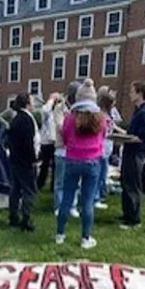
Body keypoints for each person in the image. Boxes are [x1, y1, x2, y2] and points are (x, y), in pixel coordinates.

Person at [55, 79, 107, 249]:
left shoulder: (70, 118)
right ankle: (85, 238)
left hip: (72, 160)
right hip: (93, 162)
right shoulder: (101, 118)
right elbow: (103, 137)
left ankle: (60, 234)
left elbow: (65, 136)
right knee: (88, 200)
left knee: (67, 198)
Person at [120, 81, 145, 229]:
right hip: (130, 151)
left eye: (132, 91)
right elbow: (132, 132)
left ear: (140, 94)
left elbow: (143, 137)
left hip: (136, 153)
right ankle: (127, 213)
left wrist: (126, 138)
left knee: (133, 185)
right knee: (126, 182)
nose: (130, 94)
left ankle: (134, 219)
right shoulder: (138, 110)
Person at [7, 93, 40, 232]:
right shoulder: (27, 119)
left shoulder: (15, 119)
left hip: (14, 159)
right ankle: (26, 220)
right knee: (29, 191)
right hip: (25, 161)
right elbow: (29, 143)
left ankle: (13, 217)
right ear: (27, 103)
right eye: (31, 101)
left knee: (15, 189)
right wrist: (33, 160)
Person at [53, 83, 80, 218]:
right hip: (62, 149)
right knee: (60, 180)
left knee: (75, 180)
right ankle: (59, 205)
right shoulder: (60, 108)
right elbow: (60, 126)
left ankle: (72, 205)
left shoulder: (80, 109)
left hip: (76, 150)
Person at [96, 88, 120, 209]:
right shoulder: (101, 116)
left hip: (107, 149)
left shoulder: (107, 115)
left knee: (103, 174)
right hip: (101, 149)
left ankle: (99, 195)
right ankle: (97, 197)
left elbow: (113, 126)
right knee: (100, 174)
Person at [37, 93, 59, 190]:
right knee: (44, 165)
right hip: (46, 141)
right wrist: (51, 99)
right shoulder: (47, 111)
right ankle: (40, 183)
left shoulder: (58, 111)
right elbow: (45, 110)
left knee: (55, 166)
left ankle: (53, 186)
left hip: (56, 141)